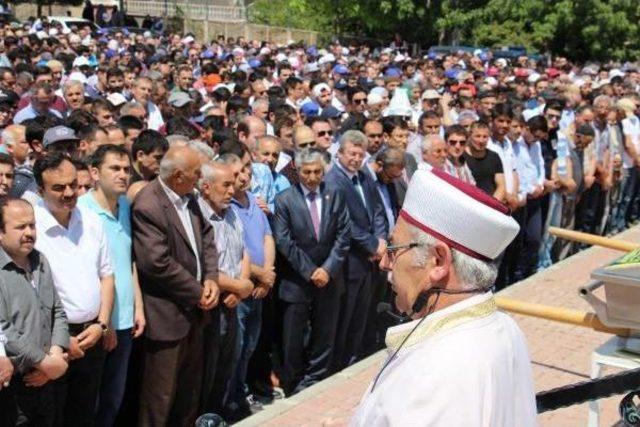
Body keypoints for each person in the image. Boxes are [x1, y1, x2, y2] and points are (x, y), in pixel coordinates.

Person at [351, 167, 536, 426]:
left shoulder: (435, 372)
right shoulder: (505, 327)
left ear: (438, 261)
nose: (384, 262)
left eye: (394, 248)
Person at [132, 144, 220, 426]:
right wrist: (197, 292)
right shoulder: (149, 204)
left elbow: (206, 238)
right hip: (167, 318)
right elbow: (156, 263)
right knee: (160, 399)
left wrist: (211, 279)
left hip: (194, 313)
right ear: (179, 175)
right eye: (196, 173)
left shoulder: (190, 197)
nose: (200, 179)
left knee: (188, 395)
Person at [32, 153, 115, 426]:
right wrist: (61, 340)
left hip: (92, 336)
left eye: (72, 185)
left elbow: (106, 275)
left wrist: (102, 324)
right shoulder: (32, 230)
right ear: (40, 189)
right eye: (58, 188)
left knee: (84, 413)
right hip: (51, 344)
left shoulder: (91, 220)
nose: (69, 193)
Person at [272, 149, 350, 395]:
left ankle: (317, 381)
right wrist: (310, 271)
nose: (313, 177)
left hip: (329, 279)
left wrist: (327, 269)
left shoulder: (334, 194)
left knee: (324, 335)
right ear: (297, 170)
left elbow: (343, 235)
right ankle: (293, 384)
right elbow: (284, 241)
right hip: (297, 281)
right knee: (292, 339)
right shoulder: (285, 199)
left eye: (318, 171)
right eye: (307, 172)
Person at [77, 145, 145, 427]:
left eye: (126, 169)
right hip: (99, 323)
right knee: (90, 402)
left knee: (113, 399)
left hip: (127, 320)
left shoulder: (126, 207)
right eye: (114, 169)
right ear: (94, 172)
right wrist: (103, 323)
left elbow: (129, 262)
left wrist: (138, 308)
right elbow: (86, 273)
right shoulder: (82, 211)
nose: (122, 175)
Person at [0, 198, 69, 426]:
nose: (29, 232)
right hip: (15, 385)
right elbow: (4, 329)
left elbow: (57, 310)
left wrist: (56, 353)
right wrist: (43, 362)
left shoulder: (40, 261)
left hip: (47, 378)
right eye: (20, 227)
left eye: (32, 225)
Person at [325, 130, 387, 369]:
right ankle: (339, 365)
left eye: (360, 154)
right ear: (340, 153)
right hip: (350, 261)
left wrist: (380, 241)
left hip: (370, 260)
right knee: (346, 317)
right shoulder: (333, 181)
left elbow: (378, 211)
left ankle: (354, 358)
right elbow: (345, 222)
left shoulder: (364, 177)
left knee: (362, 316)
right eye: (352, 153)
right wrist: (372, 245)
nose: (356, 159)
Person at [226, 145, 275, 420]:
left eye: (246, 169)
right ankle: (231, 403)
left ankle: (239, 395)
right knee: (236, 349)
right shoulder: (227, 206)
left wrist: (268, 272)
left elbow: (267, 237)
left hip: (259, 288)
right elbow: (236, 251)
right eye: (237, 172)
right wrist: (259, 273)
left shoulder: (254, 201)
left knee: (249, 349)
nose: (244, 176)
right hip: (241, 287)